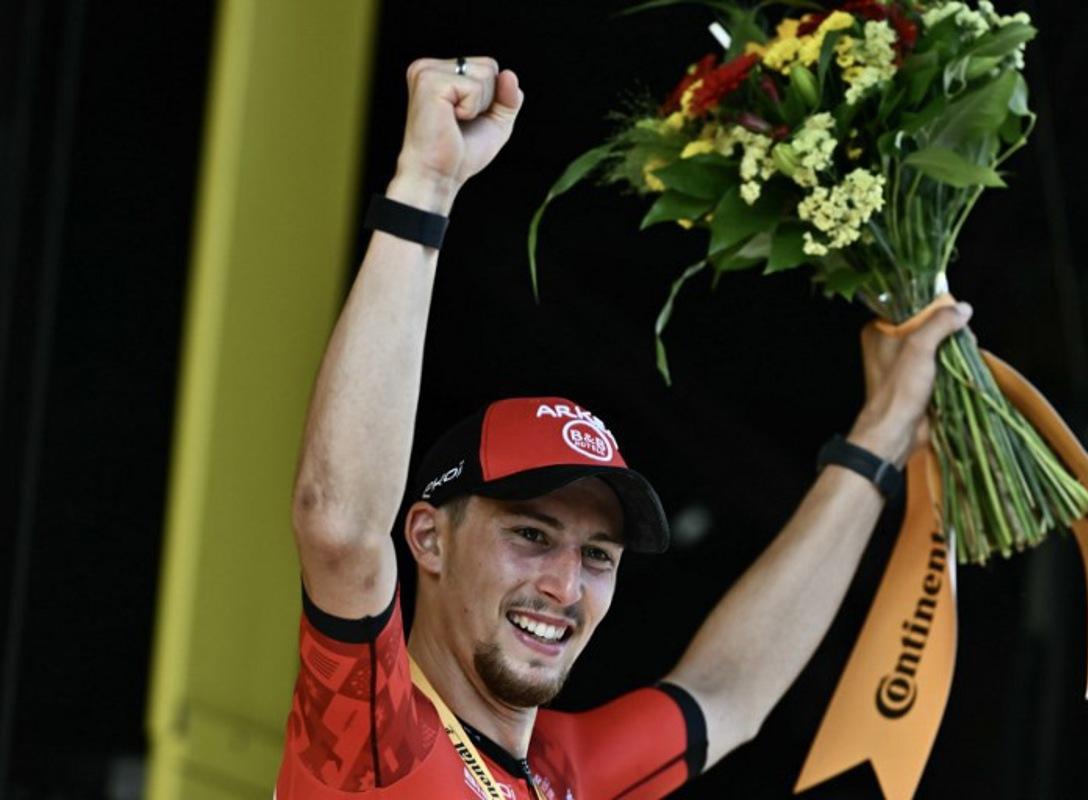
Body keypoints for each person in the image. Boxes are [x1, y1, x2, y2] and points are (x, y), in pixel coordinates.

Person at [273, 56, 971, 799]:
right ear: (427, 537)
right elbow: (341, 528)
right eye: (531, 535)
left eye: (598, 555)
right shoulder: (374, 735)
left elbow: (728, 695)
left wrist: (885, 432)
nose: (564, 584)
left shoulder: (560, 775)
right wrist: (425, 189)